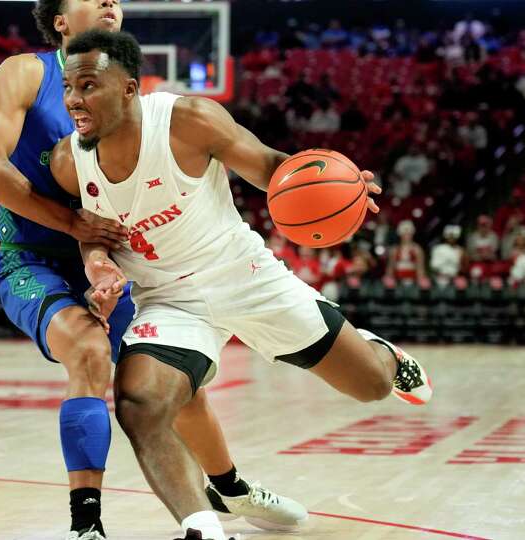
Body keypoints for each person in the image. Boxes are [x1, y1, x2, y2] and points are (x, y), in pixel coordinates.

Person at [49, 30, 433, 540]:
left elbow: (274, 169)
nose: (75, 99)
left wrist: (336, 184)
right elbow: (91, 237)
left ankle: (383, 353)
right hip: (169, 300)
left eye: (89, 84)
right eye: (69, 87)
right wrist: (99, 266)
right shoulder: (67, 162)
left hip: (245, 276)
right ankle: (202, 527)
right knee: (139, 401)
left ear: (129, 88)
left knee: (371, 386)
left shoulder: (188, 120)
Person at [0, 3, 301, 539]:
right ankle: (86, 525)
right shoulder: (26, 72)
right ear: (58, 20)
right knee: (90, 352)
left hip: (114, 257)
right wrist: (73, 225)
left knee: (174, 384)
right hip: (34, 258)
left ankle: (228, 487)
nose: (109, 2)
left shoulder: (131, 91)